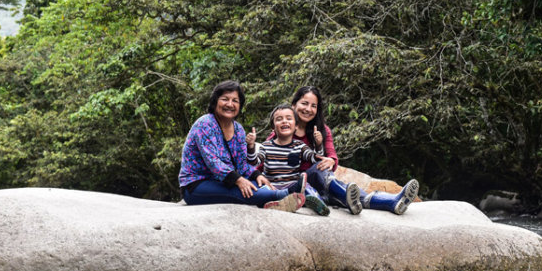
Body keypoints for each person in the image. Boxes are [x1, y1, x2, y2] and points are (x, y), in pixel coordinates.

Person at [264, 86, 419, 215]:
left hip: (322, 184)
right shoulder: (281, 131)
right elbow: (263, 158)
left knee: (341, 183)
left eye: (313, 106)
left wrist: (331, 160)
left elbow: (332, 157)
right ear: (294, 105)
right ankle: (347, 197)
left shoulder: (323, 130)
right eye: (304, 103)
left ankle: (392, 202)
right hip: (296, 185)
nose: (308, 109)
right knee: (321, 171)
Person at [179, 80, 305, 211]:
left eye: (235, 101)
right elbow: (213, 162)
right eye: (225, 99)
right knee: (240, 190)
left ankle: (274, 202)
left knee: (257, 185)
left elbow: (242, 164)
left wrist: (257, 175)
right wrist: (239, 180)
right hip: (197, 185)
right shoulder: (205, 124)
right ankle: (284, 195)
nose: (230, 104)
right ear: (215, 101)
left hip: (225, 181)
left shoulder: (238, 129)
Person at [246, 104, 335, 216]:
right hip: (273, 187)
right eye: (279, 119)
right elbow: (254, 162)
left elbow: (315, 158)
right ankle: (278, 203)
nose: (284, 121)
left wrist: (318, 144)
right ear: (273, 128)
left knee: (306, 186)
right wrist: (250, 146)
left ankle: (318, 203)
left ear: (296, 126)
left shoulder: (300, 146)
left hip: (293, 187)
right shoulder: (266, 146)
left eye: (289, 118)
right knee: (262, 190)